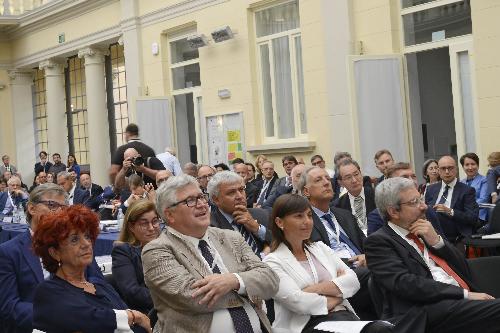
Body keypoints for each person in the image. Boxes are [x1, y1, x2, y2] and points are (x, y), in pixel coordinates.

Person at [141, 174, 279, 332]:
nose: (201, 205)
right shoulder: (157, 250)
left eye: (201, 197)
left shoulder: (231, 238)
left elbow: (271, 281)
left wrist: (234, 280)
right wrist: (250, 290)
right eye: (190, 201)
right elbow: (194, 298)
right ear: (170, 215)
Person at [365, 177, 500, 333]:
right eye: (414, 202)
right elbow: (407, 284)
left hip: (458, 304)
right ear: (393, 211)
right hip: (426, 311)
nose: (424, 206)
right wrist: (464, 295)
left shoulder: (424, 228)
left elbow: (464, 268)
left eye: (421, 199)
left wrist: (437, 242)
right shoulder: (379, 242)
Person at [0, 183, 104, 333]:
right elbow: (10, 307)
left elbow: (97, 281)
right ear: (32, 208)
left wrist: (85, 311)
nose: (60, 213)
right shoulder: (8, 252)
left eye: (64, 208)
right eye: (52, 205)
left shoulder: (77, 245)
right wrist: (59, 317)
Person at [31, 205, 151, 333]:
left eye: (87, 236)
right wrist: (132, 316)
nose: (86, 244)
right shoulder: (49, 292)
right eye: (74, 239)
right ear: (55, 253)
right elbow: (87, 318)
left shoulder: (101, 286)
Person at [263, 194, 361, 333]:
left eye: (309, 215)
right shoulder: (272, 261)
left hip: (343, 316)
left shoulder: (321, 248)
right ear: (279, 222)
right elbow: (299, 303)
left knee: (382, 328)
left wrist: (313, 290)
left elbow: (353, 281)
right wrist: (339, 294)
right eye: (299, 216)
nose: (307, 221)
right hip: (306, 325)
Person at [298, 166, 376, 320]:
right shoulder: (305, 221)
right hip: (339, 272)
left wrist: (368, 256)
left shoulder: (344, 214)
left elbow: (366, 244)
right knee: (375, 272)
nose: (327, 183)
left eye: (327, 178)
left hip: (364, 265)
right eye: (319, 180)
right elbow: (316, 258)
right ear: (306, 191)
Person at [367, 162, 443, 236]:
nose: (411, 181)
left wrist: (436, 243)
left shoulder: (427, 210)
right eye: (404, 178)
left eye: (413, 176)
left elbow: (444, 243)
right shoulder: (377, 217)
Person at [112, 200, 160, 314]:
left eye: (155, 221)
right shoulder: (123, 251)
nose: (151, 228)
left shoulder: (167, 245)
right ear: (131, 227)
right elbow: (132, 292)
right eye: (144, 223)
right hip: (147, 313)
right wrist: (168, 299)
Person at [208, 171, 272, 256]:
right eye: (231, 192)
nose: (240, 196)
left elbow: (281, 242)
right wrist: (263, 257)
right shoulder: (210, 226)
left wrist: (257, 228)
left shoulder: (261, 214)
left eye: (241, 190)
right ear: (216, 199)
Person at [424, 156, 479, 246]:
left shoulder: (467, 190)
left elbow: (472, 218)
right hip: (433, 232)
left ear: (456, 169)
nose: (447, 172)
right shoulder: (431, 189)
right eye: (443, 168)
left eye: (450, 168)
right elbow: (426, 212)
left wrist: (450, 211)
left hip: (455, 233)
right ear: (438, 170)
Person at [333, 159, 376, 233]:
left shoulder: (378, 196)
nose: (354, 180)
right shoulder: (337, 206)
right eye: (348, 177)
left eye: (356, 174)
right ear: (340, 182)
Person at [460, 153, 489, 222]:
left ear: (478, 165)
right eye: (467, 165)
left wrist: (466, 208)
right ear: (463, 167)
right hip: (463, 216)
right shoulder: (461, 182)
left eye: (473, 164)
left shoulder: (484, 180)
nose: (470, 167)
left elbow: (484, 199)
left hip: (479, 217)